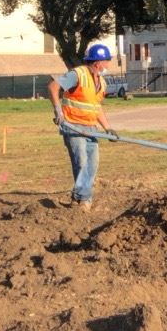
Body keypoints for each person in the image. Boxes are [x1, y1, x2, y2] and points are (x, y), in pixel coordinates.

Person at [48, 43, 119, 211]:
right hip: (73, 127)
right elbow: (53, 87)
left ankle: (77, 197)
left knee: (92, 165)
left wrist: (107, 128)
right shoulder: (78, 74)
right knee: (81, 162)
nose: (108, 65)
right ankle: (85, 200)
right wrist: (58, 111)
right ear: (98, 62)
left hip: (91, 128)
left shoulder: (101, 82)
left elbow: (96, 107)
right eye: (107, 61)